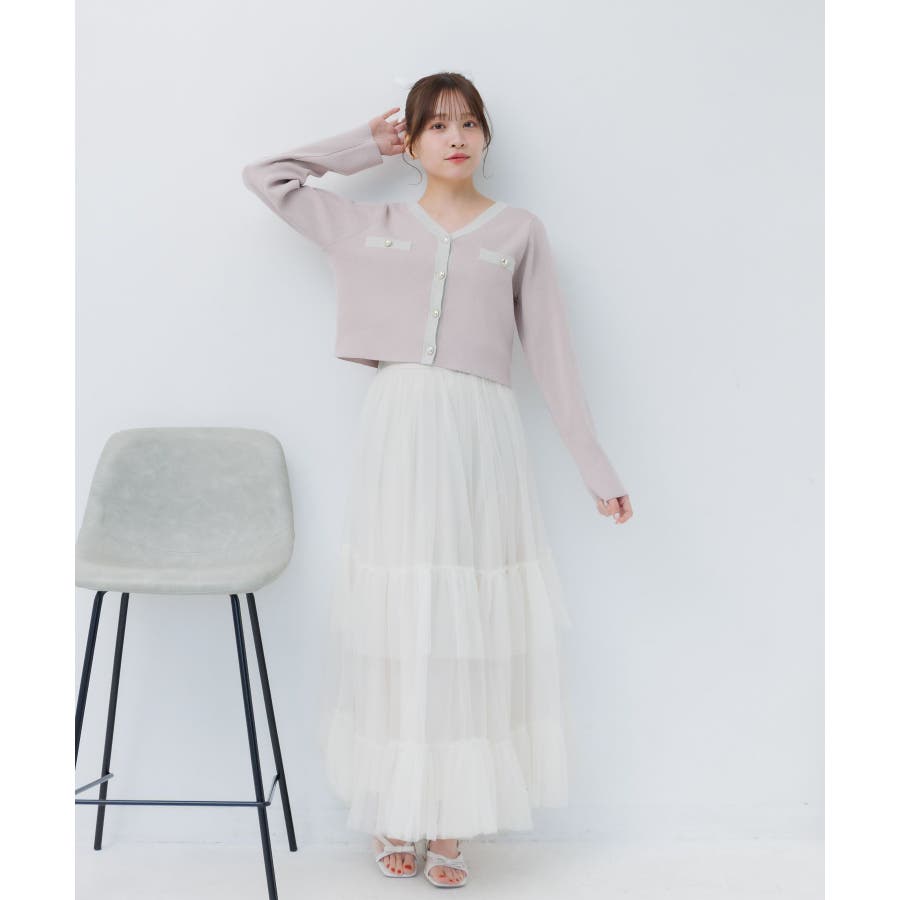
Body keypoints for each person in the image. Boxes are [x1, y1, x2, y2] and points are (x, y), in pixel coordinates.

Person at [242, 71, 633, 889]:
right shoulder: (369, 223)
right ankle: (395, 808)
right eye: (436, 126)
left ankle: (452, 822)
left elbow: (552, 355)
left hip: (482, 436)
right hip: (402, 429)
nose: (456, 138)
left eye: (469, 123)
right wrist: (363, 145)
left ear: (486, 136)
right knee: (401, 615)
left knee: (468, 623)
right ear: (412, 141)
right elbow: (268, 177)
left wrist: (594, 465)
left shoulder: (518, 231)